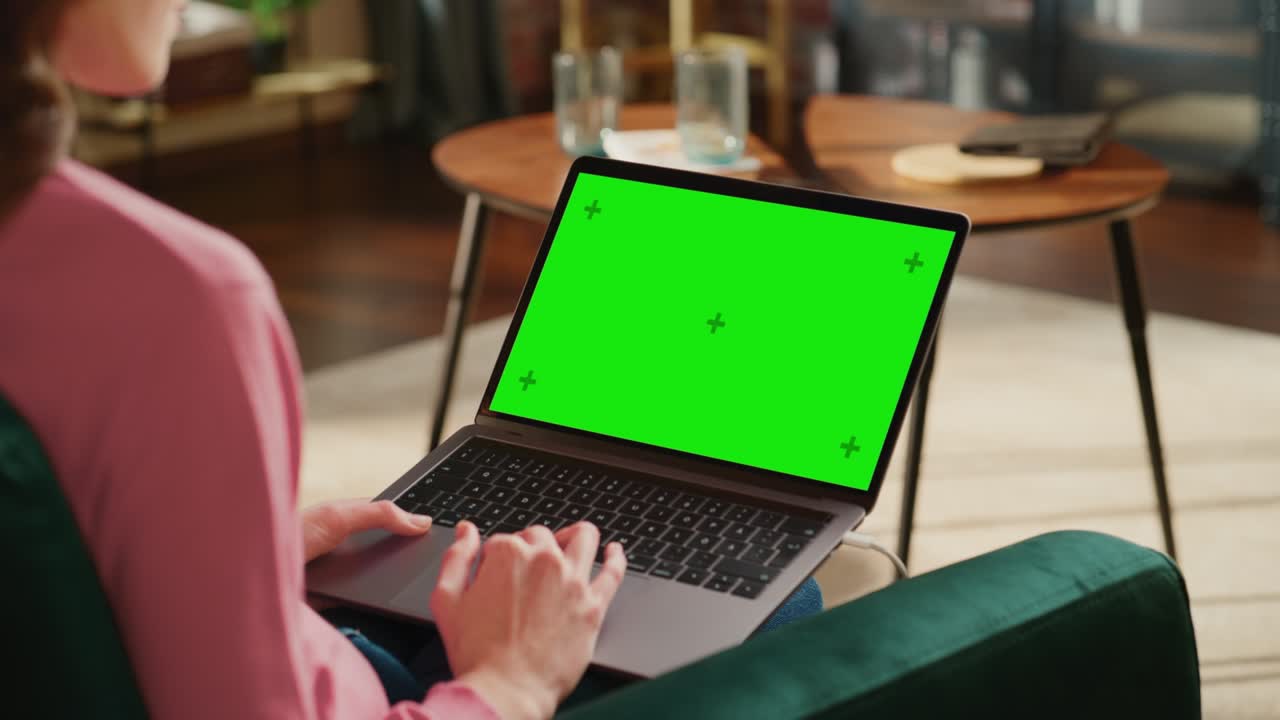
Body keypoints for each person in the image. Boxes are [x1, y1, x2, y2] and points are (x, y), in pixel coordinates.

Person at [0, 1, 820, 718]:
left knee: (450, 575)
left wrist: (250, 549)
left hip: (251, 654)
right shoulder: (174, 297)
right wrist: (512, 684)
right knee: (786, 601)